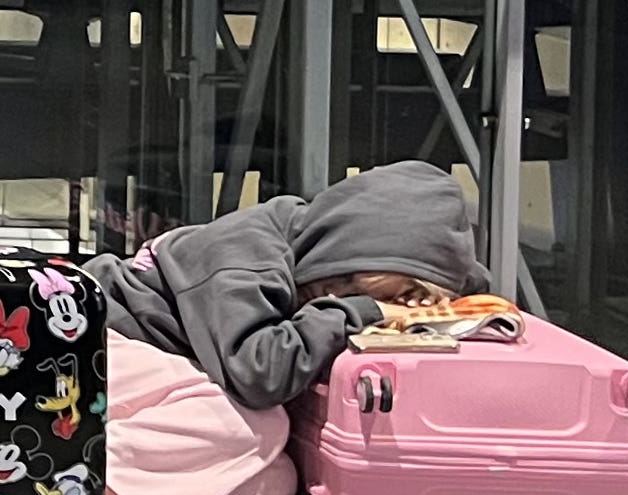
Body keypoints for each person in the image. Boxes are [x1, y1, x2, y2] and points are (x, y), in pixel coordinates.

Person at [92, 160, 482, 414]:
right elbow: (258, 373)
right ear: (336, 247)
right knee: (246, 433)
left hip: (131, 349)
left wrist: (431, 300)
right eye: (342, 283)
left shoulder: (312, 242)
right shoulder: (246, 252)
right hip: (92, 339)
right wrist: (365, 312)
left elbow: (473, 287)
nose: (331, 295)